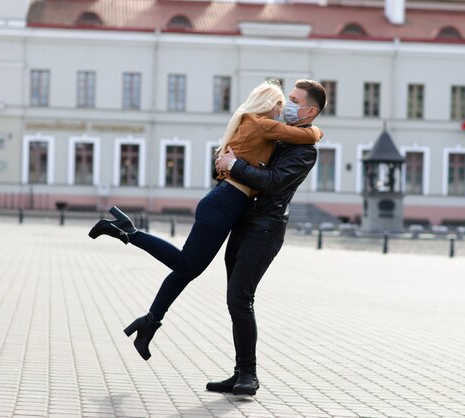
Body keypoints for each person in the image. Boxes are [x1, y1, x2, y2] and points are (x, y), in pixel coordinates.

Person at [88, 81, 322, 361]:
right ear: (268, 104)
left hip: (225, 202)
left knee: (186, 270)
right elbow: (308, 137)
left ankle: (149, 322)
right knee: (187, 265)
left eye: (292, 103)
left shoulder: (253, 124)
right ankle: (129, 232)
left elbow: (225, 164)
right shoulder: (261, 124)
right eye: (283, 104)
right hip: (225, 203)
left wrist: (231, 165)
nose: (285, 110)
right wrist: (317, 130)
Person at [206, 79, 327, 395]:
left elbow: (272, 181)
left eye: (294, 99)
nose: (286, 103)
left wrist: (235, 165)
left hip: (266, 228)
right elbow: (236, 157)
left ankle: (249, 375)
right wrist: (226, 161)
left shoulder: (305, 151)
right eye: (288, 97)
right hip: (243, 223)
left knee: (240, 297)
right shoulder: (274, 131)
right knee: (235, 300)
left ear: (310, 110)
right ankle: (239, 373)